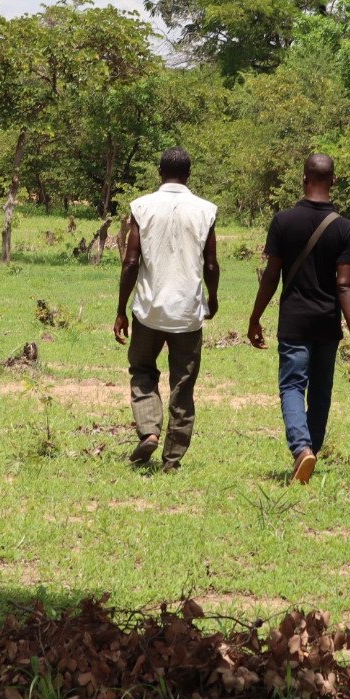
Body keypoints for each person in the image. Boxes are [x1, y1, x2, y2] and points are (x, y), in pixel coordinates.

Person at [247, 154, 350, 484]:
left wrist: (255, 317)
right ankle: (310, 449)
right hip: (327, 323)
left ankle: (302, 450)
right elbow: (344, 284)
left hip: (295, 322)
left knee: (292, 386)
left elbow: (271, 275)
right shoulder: (345, 229)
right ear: (334, 182)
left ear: (303, 179)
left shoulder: (284, 221)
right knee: (322, 390)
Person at [114, 147, 220, 471]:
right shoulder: (205, 210)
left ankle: (149, 430)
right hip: (187, 313)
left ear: (159, 172)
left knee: (143, 370)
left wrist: (121, 309)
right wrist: (212, 298)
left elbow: (131, 261)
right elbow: (211, 263)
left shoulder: (142, 207)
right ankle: (172, 460)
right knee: (183, 385)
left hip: (148, 310)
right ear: (189, 174)